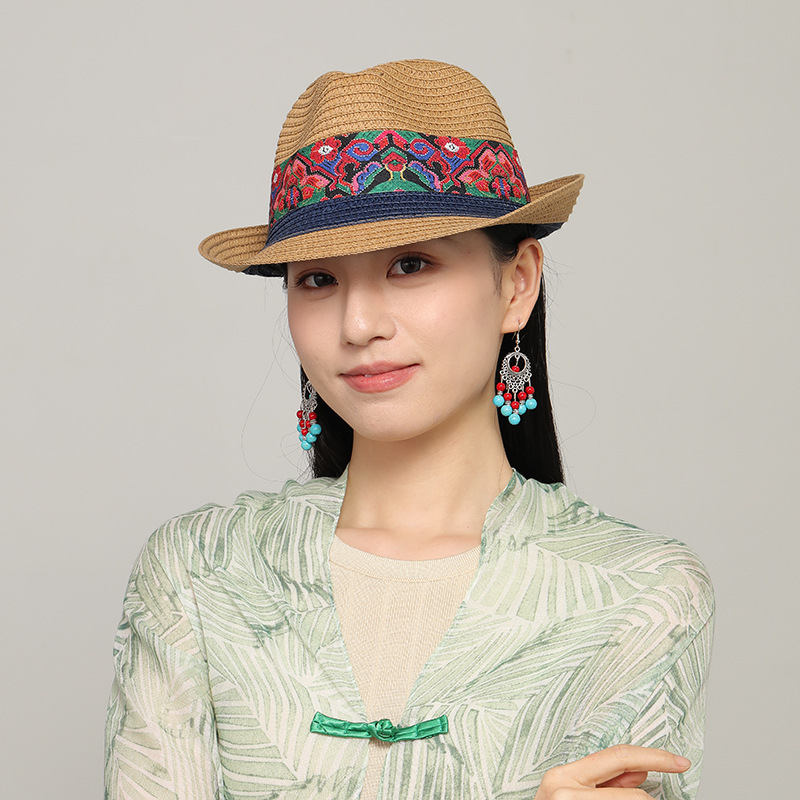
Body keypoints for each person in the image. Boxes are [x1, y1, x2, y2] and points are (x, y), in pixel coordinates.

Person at [105, 59, 714, 800]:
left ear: (517, 283)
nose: (358, 325)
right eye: (318, 279)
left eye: (411, 264)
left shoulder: (640, 595)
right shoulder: (198, 574)